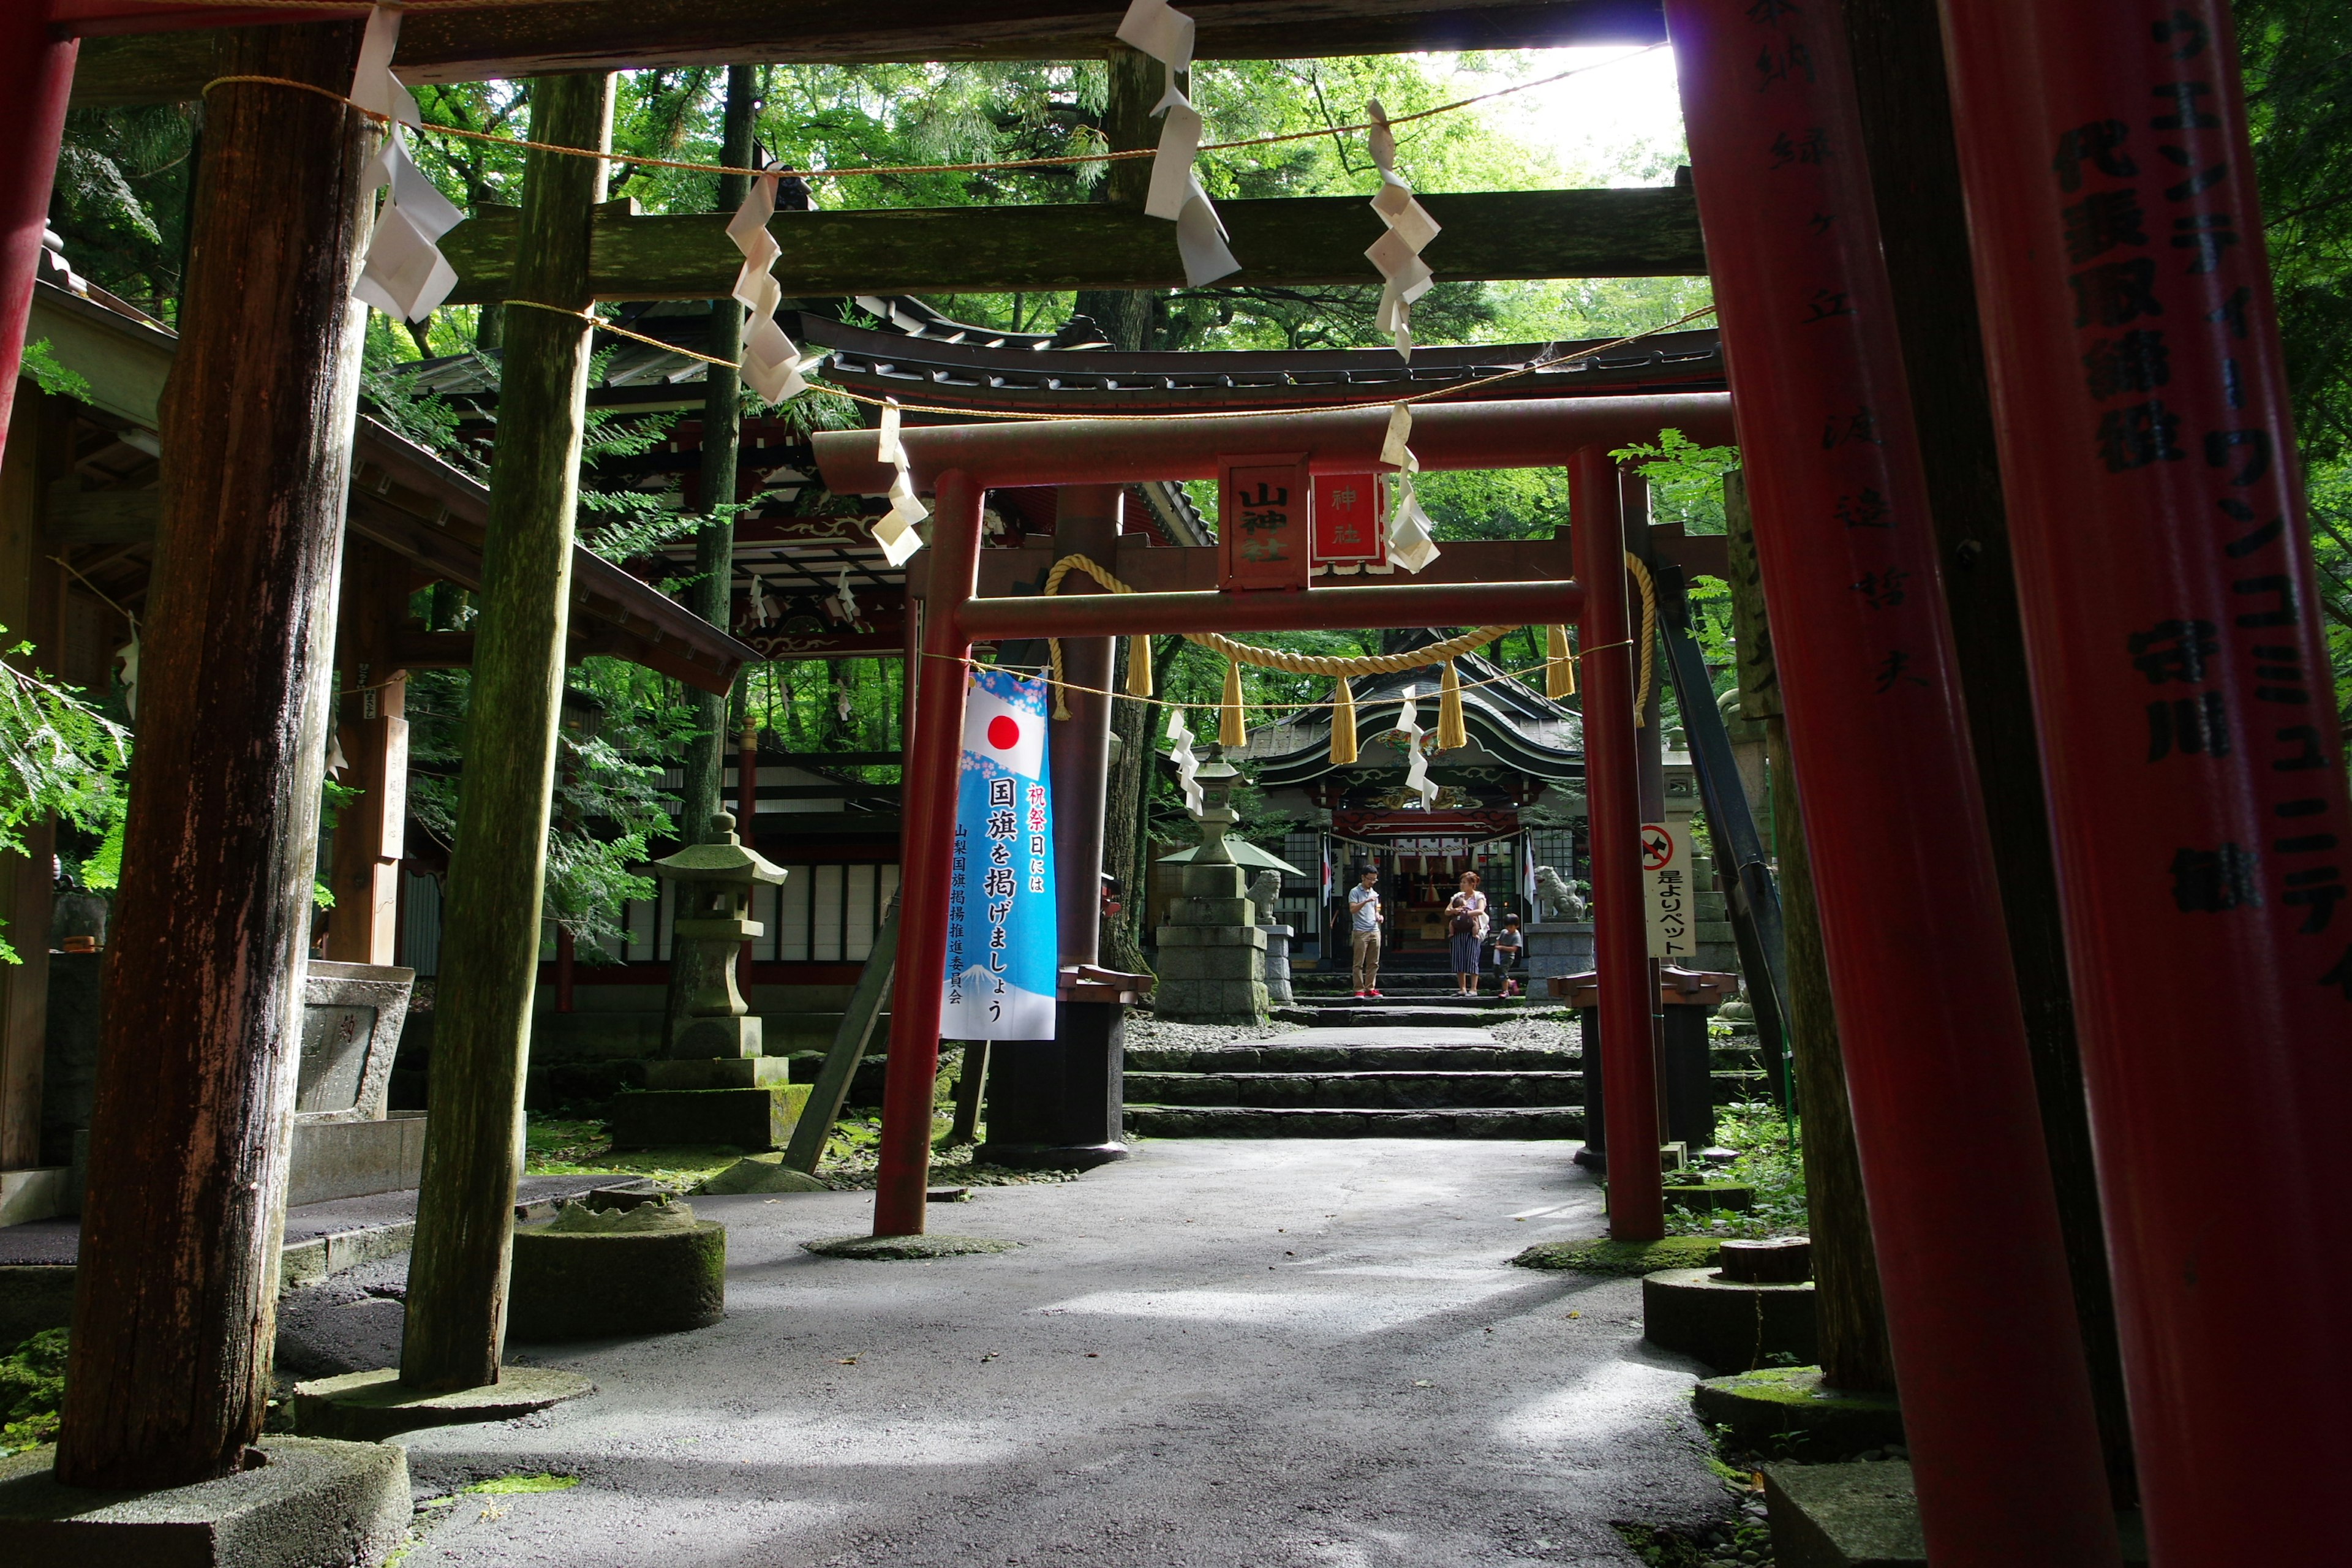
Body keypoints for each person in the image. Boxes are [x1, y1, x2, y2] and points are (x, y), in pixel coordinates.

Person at [1445, 871, 1488, 996]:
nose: (1462, 885)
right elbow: (1447, 911)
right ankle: (1462, 988)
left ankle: (1474, 988)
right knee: (1459, 958)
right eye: (1462, 882)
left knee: (1472, 958)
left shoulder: (1478, 896)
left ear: (1472, 884)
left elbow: (1480, 911)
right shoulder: (1458, 896)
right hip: (1459, 929)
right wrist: (1455, 910)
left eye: (1465, 882)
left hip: (1472, 930)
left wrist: (1465, 914)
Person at [1348, 869, 1384, 998]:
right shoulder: (1355, 892)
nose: (1372, 882)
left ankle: (1370, 988)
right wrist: (1366, 901)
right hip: (1360, 931)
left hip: (1374, 930)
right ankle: (1359, 989)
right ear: (1363, 877)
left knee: (1374, 962)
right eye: (1370, 879)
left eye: (1374, 879)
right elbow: (1352, 909)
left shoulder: (1374, 893)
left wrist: (1379, 916)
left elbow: (1376, 911)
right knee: (1359, 962)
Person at [1492, 912, 1525, 998]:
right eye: (1507, 927)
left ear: (1516, 926)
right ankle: (1510, 983)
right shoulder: (1504, 932)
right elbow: (1498, 940)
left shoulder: (1516, 936)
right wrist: (1497, 945)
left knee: (1503, 972)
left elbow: (1514, 949)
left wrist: (1502, 947)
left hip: (1508, 957)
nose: (1509, 929)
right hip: (1499, 956)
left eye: (1511, 927)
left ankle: (1506, 991)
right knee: (1497, 972)